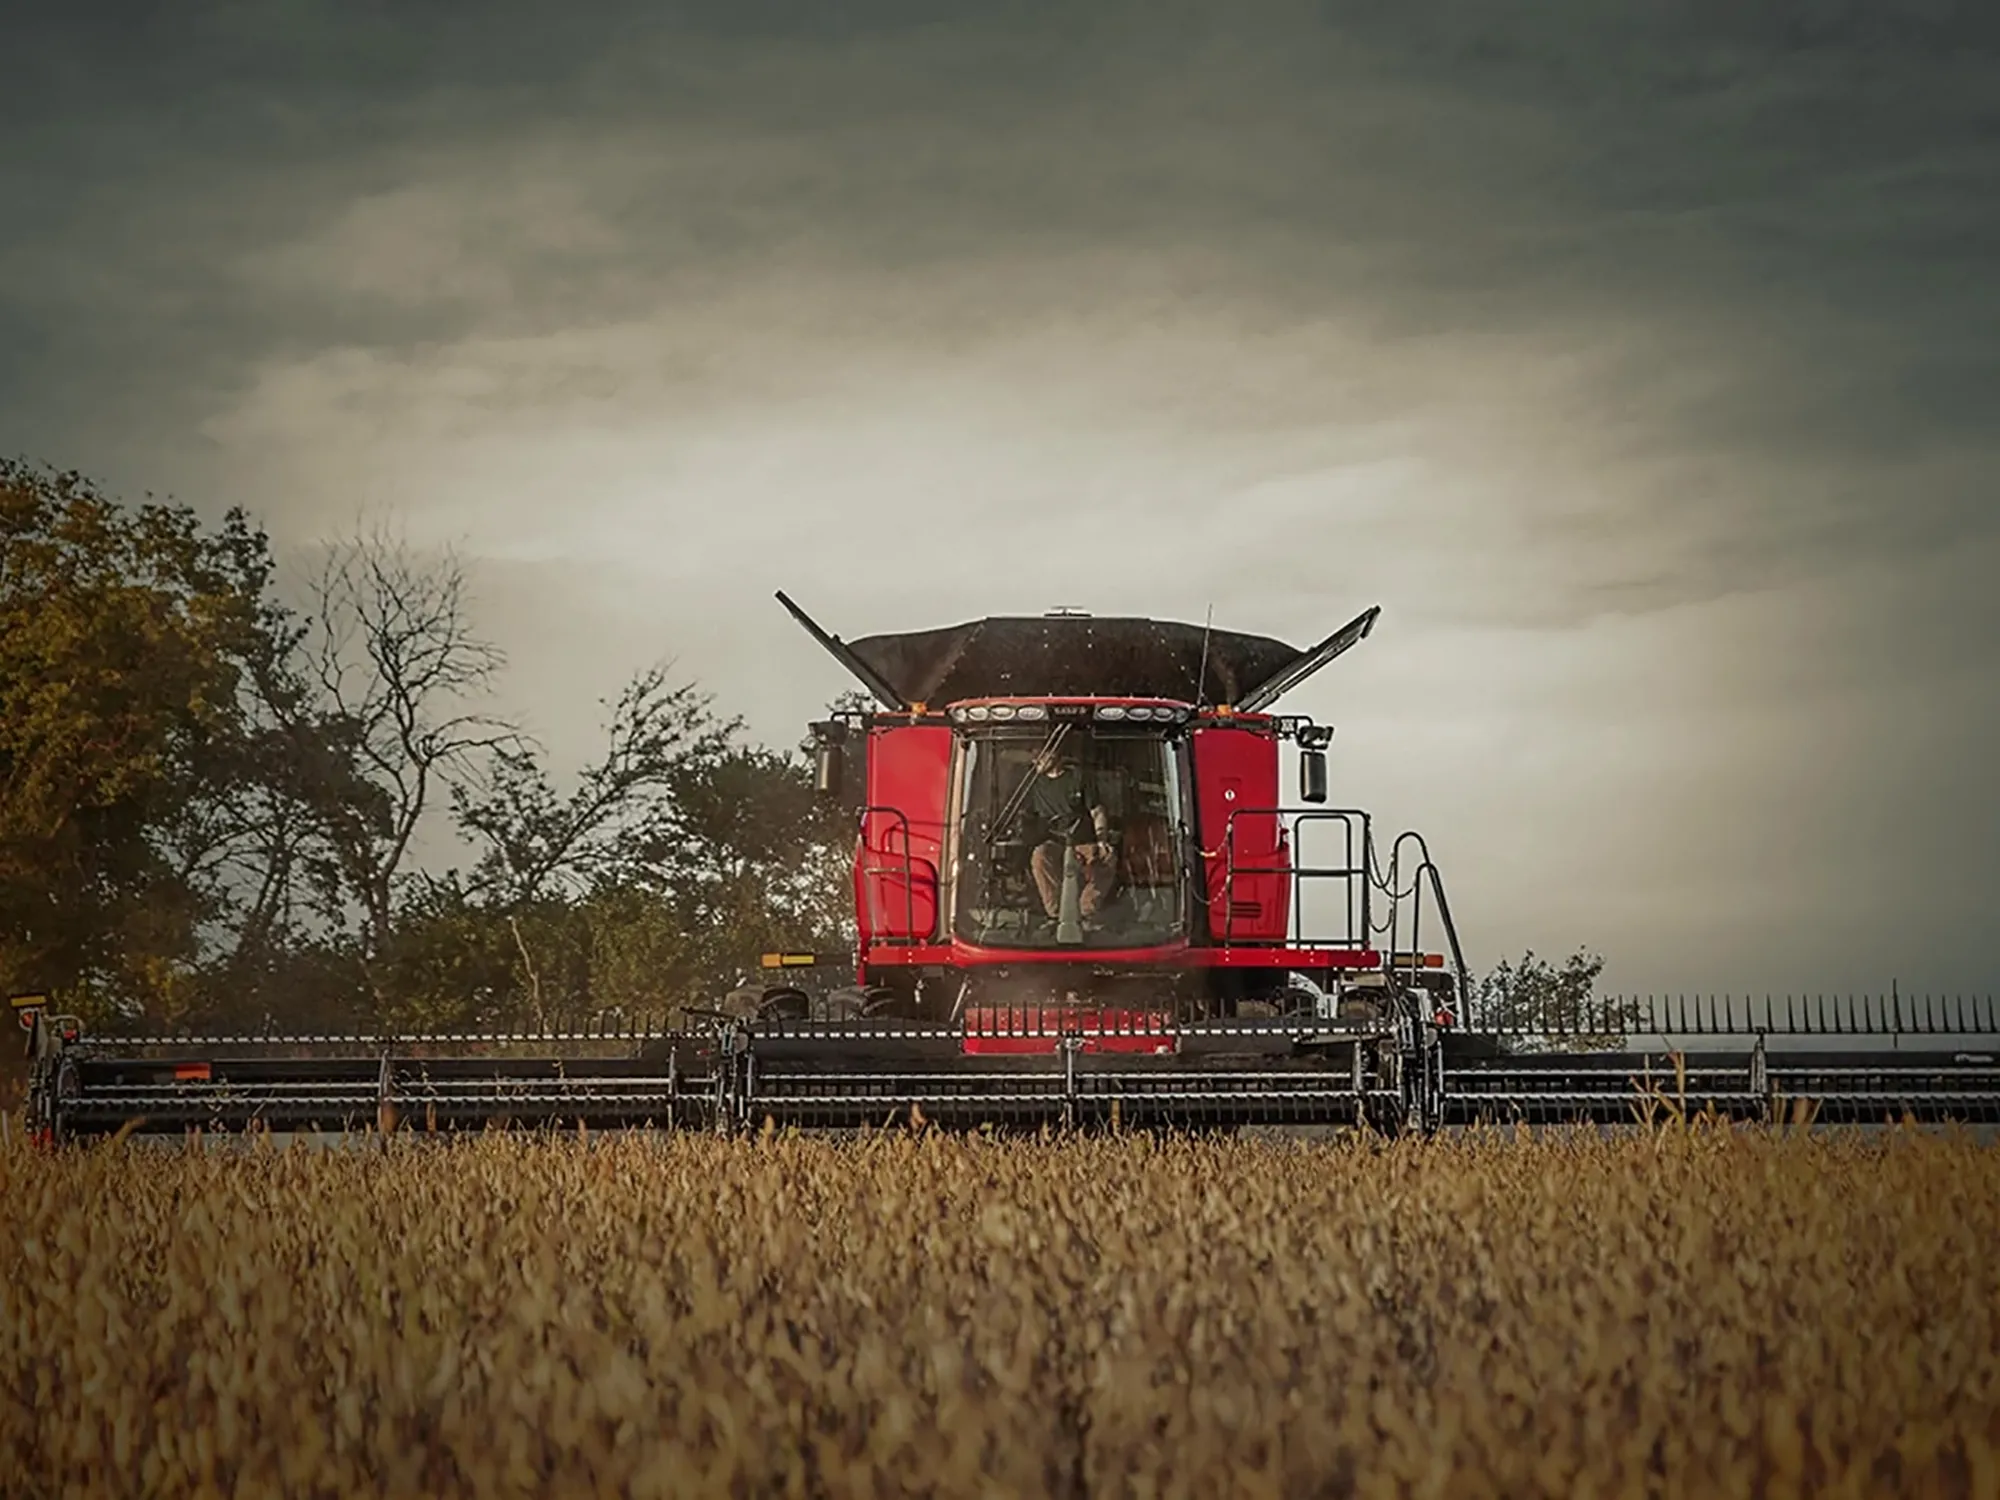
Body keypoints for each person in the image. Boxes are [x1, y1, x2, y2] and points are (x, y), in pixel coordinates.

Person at [1020, 739, 1118, 922]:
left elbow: (1097, 811)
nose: (1036, 760)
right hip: (1054, 844)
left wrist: (1102, 840)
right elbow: (1025, 816)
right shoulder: (1031, 783)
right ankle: (1056, 915)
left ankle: (1086, 912)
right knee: (1040, 856)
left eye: (1040, 755)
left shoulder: (1079, 778)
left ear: (1055, 754)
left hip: (1083, 843)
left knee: (1107, 857)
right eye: (1034, 757)